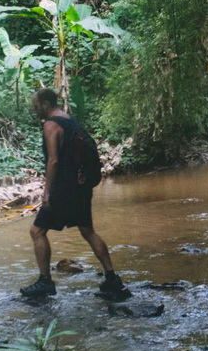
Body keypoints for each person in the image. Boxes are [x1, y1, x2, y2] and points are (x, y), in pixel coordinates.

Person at [20, 87, 131, 300]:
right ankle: (112, 279)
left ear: (45, 103)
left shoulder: (52, 125)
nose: (35, 110)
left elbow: (53, 160)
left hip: (63, 188)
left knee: (37, 232)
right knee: (88, 231)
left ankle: (45, 282)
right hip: (81, 187)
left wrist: (47, 192)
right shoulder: (70, 120)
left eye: (36, 106)